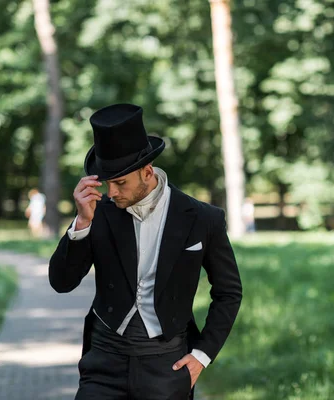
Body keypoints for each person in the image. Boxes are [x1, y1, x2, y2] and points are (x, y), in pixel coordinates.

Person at [48, 103, 243, 400]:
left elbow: (228, 292)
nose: (111, 192)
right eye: (107, 182)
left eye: (120, 182)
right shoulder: (98, 213)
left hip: (167, 365)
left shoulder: (203, 218)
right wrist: (82, 223)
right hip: (104, 362)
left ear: (147, 172)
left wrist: (202, 355)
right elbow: (62, 283)